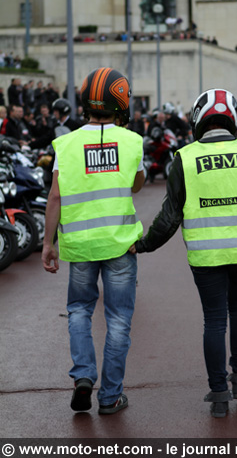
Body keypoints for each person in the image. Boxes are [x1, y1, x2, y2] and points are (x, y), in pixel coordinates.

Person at [129, 88, 237, 418]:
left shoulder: (184, 158)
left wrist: (143, 245)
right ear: (234, 118)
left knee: (214, 319)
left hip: (206, 255)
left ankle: (218, 394)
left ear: (198, 120)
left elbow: (169, 217)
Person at [41, 67, 145, 415]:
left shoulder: (65, 144)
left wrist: (47, 243)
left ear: (84, 101)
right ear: (121, 101)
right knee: (117, 320)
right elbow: (136, 184)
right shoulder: (132, 141)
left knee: (79, 310)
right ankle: (111, 395)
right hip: (119, 245)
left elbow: (54, 197)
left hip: (81, 246)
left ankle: (83, 375)